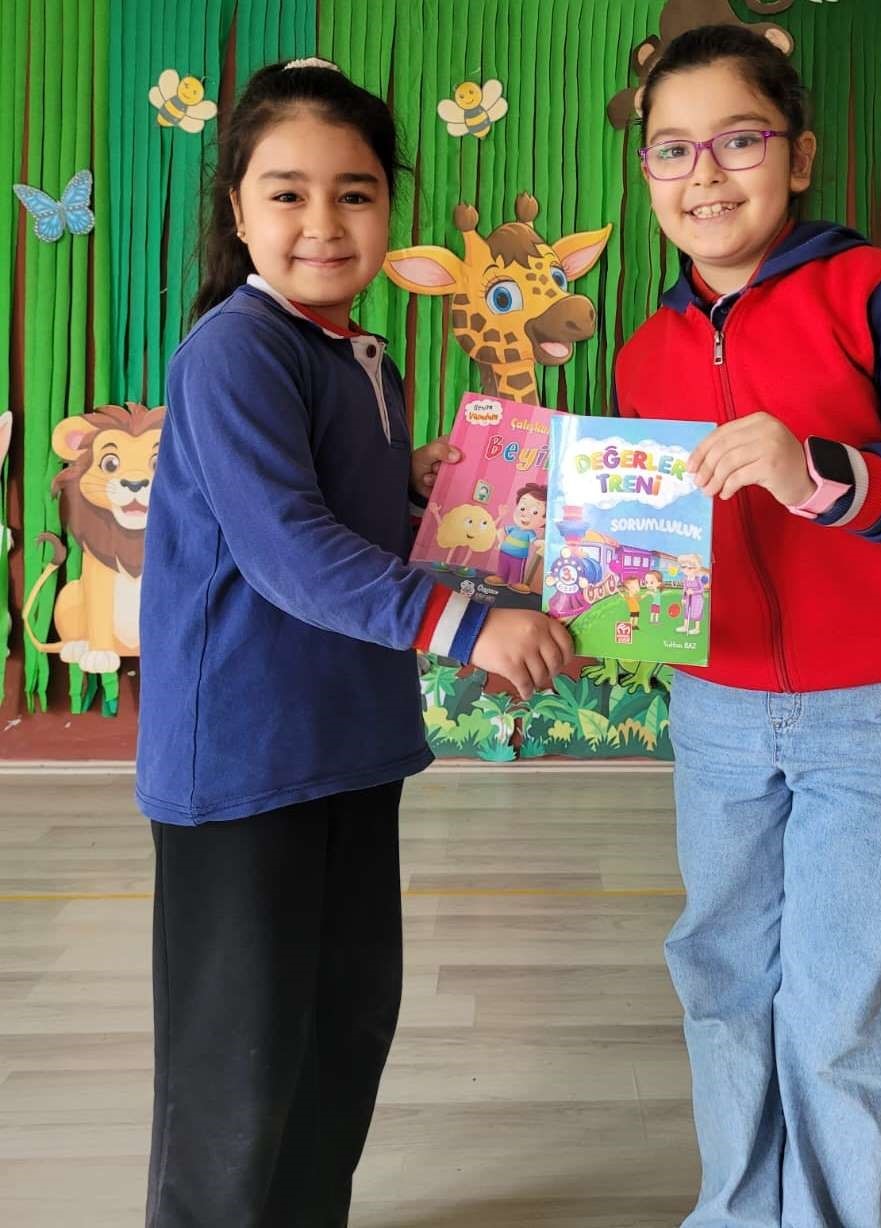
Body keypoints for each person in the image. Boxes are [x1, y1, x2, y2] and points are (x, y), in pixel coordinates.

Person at [135, 58, 571, 1228]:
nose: (322, 221)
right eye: (287, 192)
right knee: (235, 1069)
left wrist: (413, 482)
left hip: (346, 745)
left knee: (339, 1028)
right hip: (241, 764)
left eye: (355, 192)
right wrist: (474, 625)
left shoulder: (357, 355)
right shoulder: (235, 349)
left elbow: (335, 511)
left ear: (390, 210)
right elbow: (287, 549)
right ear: (238, 210)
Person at [614, 25, 881, 1228]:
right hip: (719, 709)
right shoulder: (643, 351)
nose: (704, 174)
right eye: (671, 149)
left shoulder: (875, 290)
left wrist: (820, 471)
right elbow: (643, 547)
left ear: (798, 156)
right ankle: (739, 1213)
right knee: (723, 980)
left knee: (850, 1009)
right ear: (647, 173)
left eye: (738, 140)